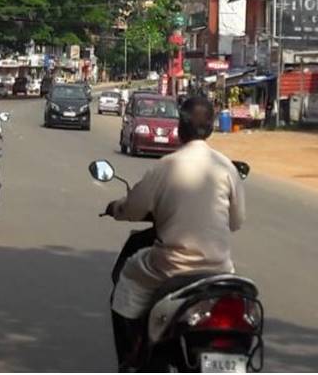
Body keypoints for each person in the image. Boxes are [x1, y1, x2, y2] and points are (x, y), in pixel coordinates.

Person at [105, 96, 245, 367]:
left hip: (170, 268)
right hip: (219, 271)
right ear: (211, 128)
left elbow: (133, 209)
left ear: (180, 126)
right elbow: (236, 221)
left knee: (128, 279)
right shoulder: (226, 167)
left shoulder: (166, 166)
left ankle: (130, 360)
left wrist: (116, 208)